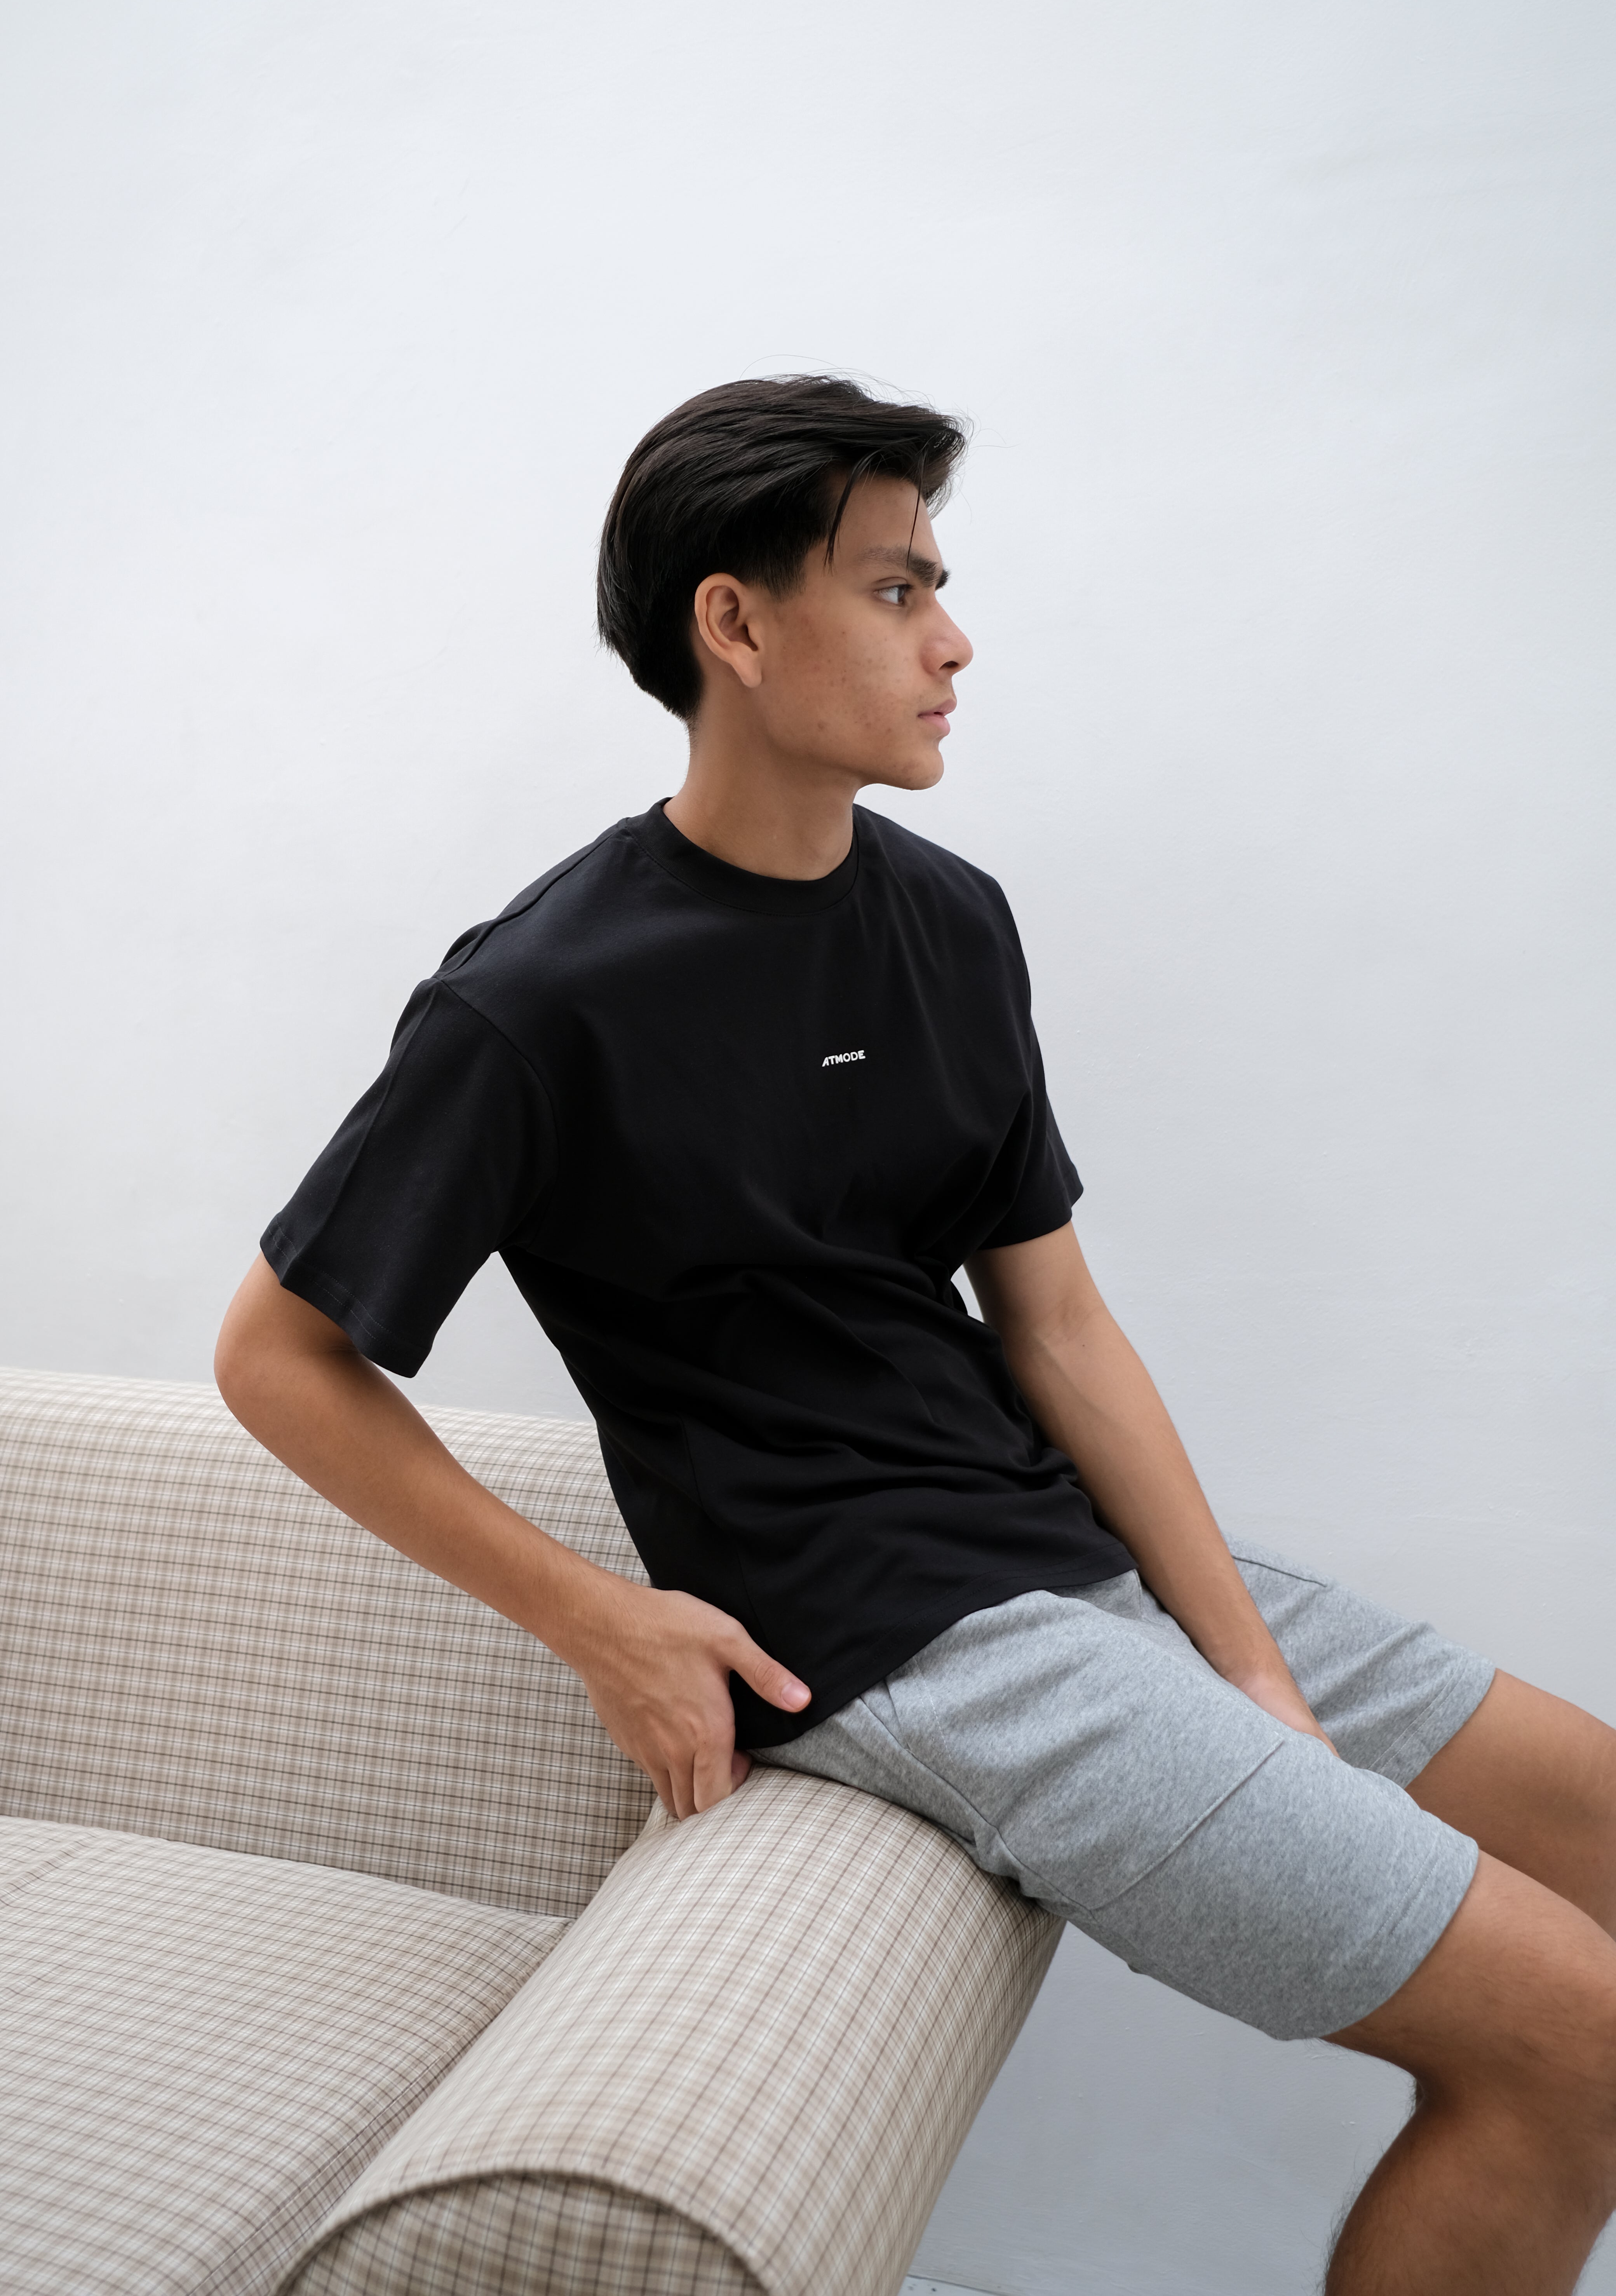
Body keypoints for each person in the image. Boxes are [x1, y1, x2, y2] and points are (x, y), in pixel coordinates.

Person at [216, 375, 1616, 2296]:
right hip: (897, 1643)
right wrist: (603, 1619)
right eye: (894, 589)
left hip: (1061, 1555)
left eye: (937, 584)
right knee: (1573, 2043)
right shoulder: (537, 1002)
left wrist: (1246, 1665)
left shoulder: (948, 920)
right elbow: (279, 1357)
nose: (952, 641)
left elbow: (1059, 1326)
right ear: (734, 625)